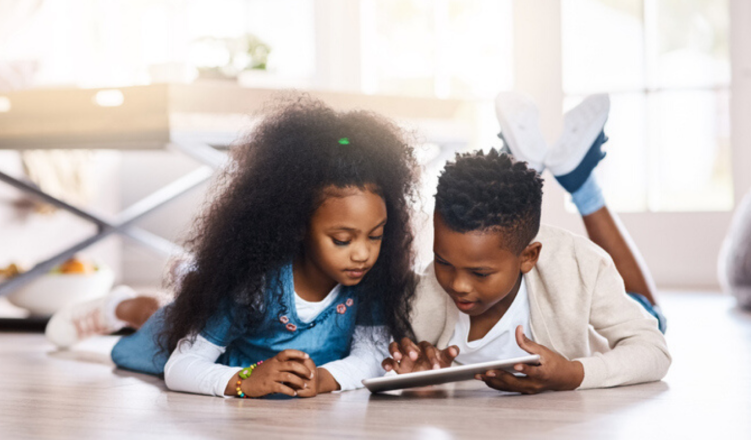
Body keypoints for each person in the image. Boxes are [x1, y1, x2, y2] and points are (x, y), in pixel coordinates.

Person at [46, 95, 420, 398]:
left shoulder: (369, 279)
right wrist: (244, 381)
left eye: (376, 235)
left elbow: (371, 354)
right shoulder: (252, 287)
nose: (363, 253)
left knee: (188, 298)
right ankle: (125, 306)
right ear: (296, 227)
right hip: (222, 351)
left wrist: (324, 378)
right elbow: (181, 368)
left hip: (246, 328)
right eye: (342, 239)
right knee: (163, 328)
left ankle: (185, 277)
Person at [382, 93, 671, 394]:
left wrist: (574, 373)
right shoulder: (425, 295)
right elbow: (382, 353)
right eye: (442, 262)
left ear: (529, 256)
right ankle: (525, 166)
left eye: (480, 273)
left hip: (593, 312)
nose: (458, 285)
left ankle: (582, 183)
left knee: (652, 315)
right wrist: (417, 370)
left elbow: (654, 350)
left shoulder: (579, 267)